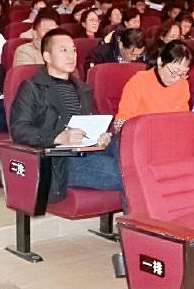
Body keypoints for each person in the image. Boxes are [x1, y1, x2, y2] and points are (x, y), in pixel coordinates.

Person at [10, 29, 120, 204]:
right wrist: (59, 137)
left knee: (127, 146)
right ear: (47, 56)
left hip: (89, 150)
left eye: (73, 50)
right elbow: (19, 130)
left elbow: (93, 121)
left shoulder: (83, 89)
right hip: (61, 159)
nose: (71, 56)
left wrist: (104, 136)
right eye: (63, 50)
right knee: (129, 174)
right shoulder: (31, 88)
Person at [114, 40, 194, 131]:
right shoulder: (138, 82)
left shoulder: (183, 84)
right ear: (160, 62)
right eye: (174, 72)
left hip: (170, 133)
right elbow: (120, 122)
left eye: (183, 74)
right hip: (141, 133)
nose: (176, 78)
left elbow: (182, 118)